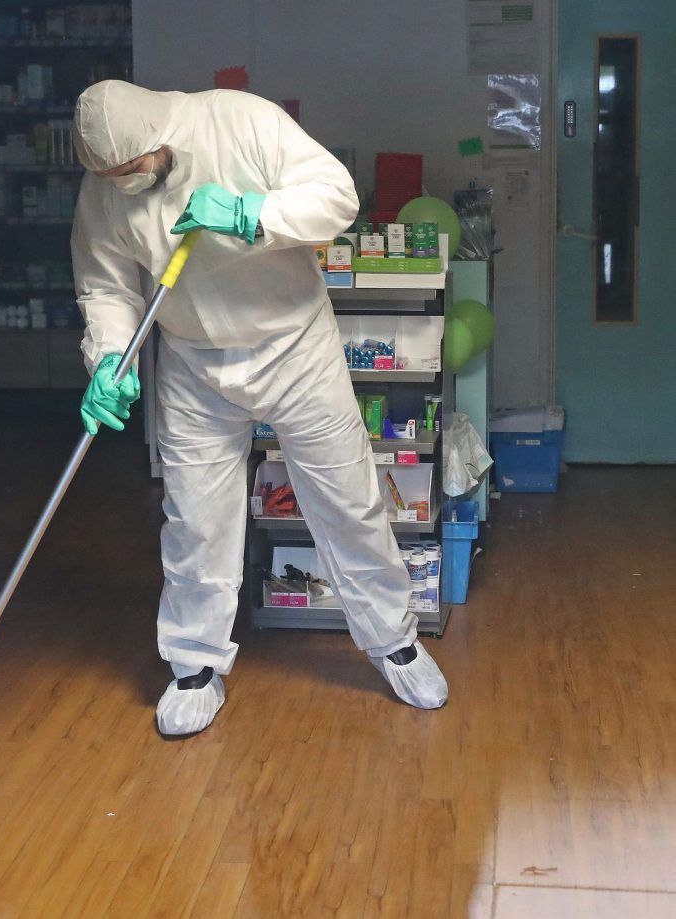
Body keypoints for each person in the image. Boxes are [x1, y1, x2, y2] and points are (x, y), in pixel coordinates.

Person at [70, 80, 448, 736]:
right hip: (193, 361)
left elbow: (335, 196)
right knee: (195, 518)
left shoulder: (239, 121)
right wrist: (110, 355)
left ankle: (394, 639)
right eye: (108, 177)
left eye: (130, 172)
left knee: (346, 500)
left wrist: (252, 214)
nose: (122, 186)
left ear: (157, 142)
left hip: (294, 346)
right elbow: (105, 283)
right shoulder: (103, 188)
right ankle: (193, 665)